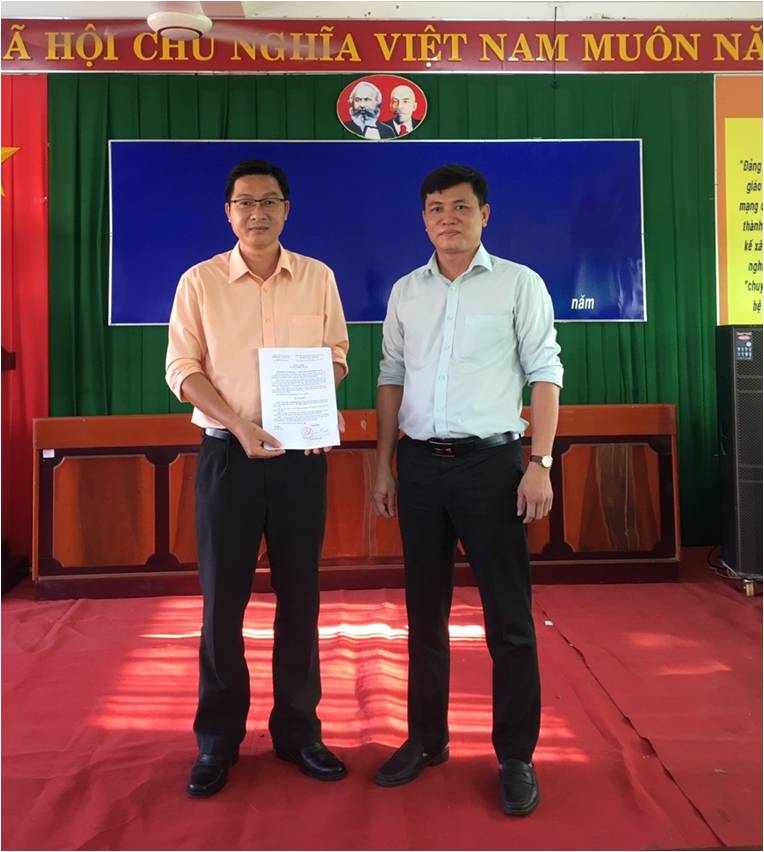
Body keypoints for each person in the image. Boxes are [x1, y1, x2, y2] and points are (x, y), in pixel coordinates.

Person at [371, 164, 563, 816]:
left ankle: (516, 756)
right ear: (423, 218)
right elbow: (391, 377)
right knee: (423, 614)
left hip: (492, 468)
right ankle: (427, 740)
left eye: (459, 207)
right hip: (420, 469)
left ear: (485, 214)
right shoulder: (407, 291)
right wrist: (383, 466)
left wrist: (540, 462)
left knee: (508, 620)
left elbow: (545, 373)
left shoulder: (518, 283)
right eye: (435, 208)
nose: (446, 218)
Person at [165, 160, 350, 798]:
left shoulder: (318, 277)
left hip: (299, 460)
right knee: (223, 603)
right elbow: (183, 370)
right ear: (228, 213)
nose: (257, 213)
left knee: (301, 600)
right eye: (245, 202)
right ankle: (218, 739)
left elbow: (336, 357)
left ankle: (298, 732)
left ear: (286, 210)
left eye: (269, 201)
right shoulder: (199, 282)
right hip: (228, 458)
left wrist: (314, 404)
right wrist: (240, 426)